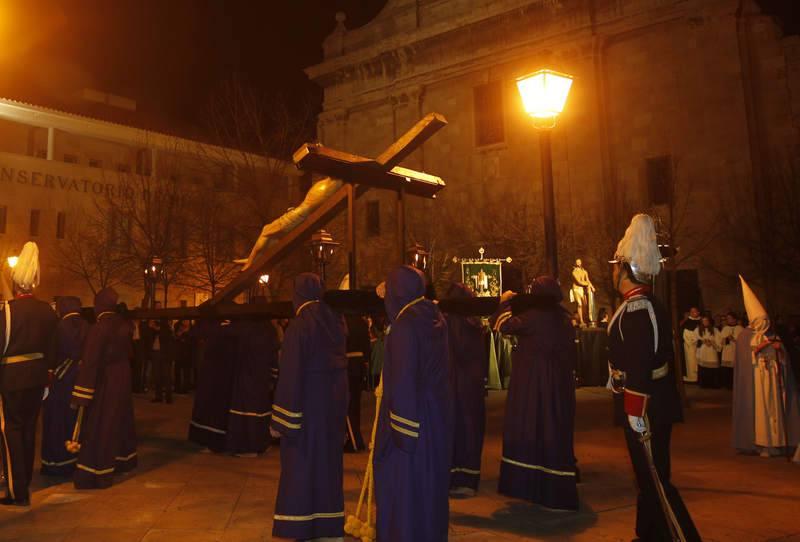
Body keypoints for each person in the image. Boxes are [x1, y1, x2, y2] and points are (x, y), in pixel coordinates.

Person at [607, 214, 700, 541]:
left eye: (617, 267)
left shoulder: (637, 308)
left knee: (657, 481)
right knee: (647, 479)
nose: (613, 273)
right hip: (650, 405)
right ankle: (646, 535)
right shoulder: (642, 304)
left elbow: (640, 363)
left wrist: (634, 411)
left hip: (645, 408)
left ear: (627, 270)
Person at [374, 265, 452, 542]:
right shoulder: (432, 315)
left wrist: (402, 431)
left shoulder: (405, 326)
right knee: (428, 486)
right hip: (434, 419)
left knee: (406, 487)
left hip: (410, 422)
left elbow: (404, 380)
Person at [491, 276, 578, 511]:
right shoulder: (564, 318)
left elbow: (501, 325)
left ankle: (528, 483)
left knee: (530, 426)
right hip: (559, 385)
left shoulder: (533, 317)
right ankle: (555, 484)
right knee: (553, 429)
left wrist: (504, 302)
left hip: (533, 383)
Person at [272, 273, 348, 540]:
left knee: (302, 468)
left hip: (304, 411)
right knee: (327, 468)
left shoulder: (300, 325)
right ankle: (328, 527)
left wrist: (283, 420)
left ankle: (301, 525)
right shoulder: (337, 322)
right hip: (329, 411)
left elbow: (291, 373)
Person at [0, 242, 58, 506]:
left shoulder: (7, 310)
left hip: (11, 378)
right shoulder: (47, 310)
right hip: (37, 379)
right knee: (28, 430)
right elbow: (52, 347)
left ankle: (16, 489)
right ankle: (23, 481)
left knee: (10, 429)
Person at [71, 288, 137, 489]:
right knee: (119, 419)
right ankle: (122, 460)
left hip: (105, 380)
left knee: (100, 423)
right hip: (122, 377)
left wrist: (81, 393)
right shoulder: (125, 325)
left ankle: (96, 472)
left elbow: (91, 361)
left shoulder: (99, 328)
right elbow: (130, 353)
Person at [735, 276, 800, 460]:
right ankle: (762, 443)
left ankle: (779, 443)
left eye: (766, 320)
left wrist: (780, 352)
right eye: (760, 320)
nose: (764, 323)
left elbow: (785, 357)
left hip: (775, 380)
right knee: (761, 414)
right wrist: (762, 348)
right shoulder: (745, 336)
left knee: (776, 411)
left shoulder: (774, 335)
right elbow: (747, 358)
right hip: (758, 382)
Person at [447, 283, 488, 498]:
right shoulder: (475, 324)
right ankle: (469, 478)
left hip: (454, 385)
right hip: (472, 386)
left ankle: (454, 477)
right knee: (471, 430)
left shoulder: (447, 322)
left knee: (454, 430)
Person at [41, 297, 89, 476]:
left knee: (57, 421)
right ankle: (77, 459)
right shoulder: (87, 326)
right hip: (81, 380)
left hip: (60, 382)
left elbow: (50, 354)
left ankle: (56, 463)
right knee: (76, 420)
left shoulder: (58, 327)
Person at [226, 308, 280, 457]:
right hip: (262, 379)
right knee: (261, 410)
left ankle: (248, 447)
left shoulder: (246, 329)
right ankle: (261, 443)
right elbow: (274, 357)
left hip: (246, 378)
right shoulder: (270, 331)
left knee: (245, 411)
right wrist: (273, 377)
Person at [188, 318, 239, 452]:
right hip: (214, 373)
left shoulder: (231, 328)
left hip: (221, 375)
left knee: (216, 409)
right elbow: (194, 333)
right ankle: (212, 441)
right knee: (211, 408)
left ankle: (216, 443)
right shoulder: (215, 327)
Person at [344, 314, 370, 453]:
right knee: (355, 406)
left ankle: (352, 440)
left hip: (347, 366)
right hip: (359, 367)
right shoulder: (362, 322)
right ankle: (357, 439)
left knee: (348, 407)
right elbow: (367, 349)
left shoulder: (343, 321)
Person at [151, 314, 173, 404]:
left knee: (166, 376)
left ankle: (167, 397)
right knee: (158, 376)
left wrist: (158, 329)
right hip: (157, 353)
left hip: (164, 355)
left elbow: (165, 338)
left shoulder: (166, 330)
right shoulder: (158, 331)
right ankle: (159, 396)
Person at [694, 316, 721, 389]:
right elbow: (694, 339)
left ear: (709, 322)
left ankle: (713, 384)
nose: (705, 322)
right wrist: (703, 341)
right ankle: (704, 384)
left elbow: (719, 339)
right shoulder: (697, 329)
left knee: (713, 368)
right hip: (703, 351)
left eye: (706, 321)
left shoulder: (715, 330)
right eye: (703, 321)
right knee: (703, 368)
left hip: (712, 350)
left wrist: (712, 342)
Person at [719, 312, 743, 390]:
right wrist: (725, 338)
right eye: (727, 319)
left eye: (730, 318)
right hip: (727, 350)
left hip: (735, 350)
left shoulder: (740, 328)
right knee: (727, 369)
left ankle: (735, 385)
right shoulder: (725, 328)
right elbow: (721, 340)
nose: (728, 320)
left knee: (734, 369)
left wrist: (733, 338)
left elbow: (742, 341)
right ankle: (727, 385)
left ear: (734, 319)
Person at [570, 258, 596, 327]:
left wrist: (592, 286)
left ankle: (584, 320)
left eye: (579, 262)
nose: (578, 263)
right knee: (579, 304)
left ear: (581, 263)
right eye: (577, 262)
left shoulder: (584, 271)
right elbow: (579, 282)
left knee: (585, 305)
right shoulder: (574, 272)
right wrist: (588, 284)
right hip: (576, 289)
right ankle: (581, 320)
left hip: (582, 289)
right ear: (575, 263)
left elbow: (588, 280)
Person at [681, 307, 702, 384]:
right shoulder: (687, 321)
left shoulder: (701, 321)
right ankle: (691, 378)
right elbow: (684, 332)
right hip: (689, 345)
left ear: (698, 312)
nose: (693, 313)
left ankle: (700, 377)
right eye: (692, 312)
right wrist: (692, 341)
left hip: (700, 345)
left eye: (695, 311)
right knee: (690, 361)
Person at [173, 319, 193, 394]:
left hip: (186, 354)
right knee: (178, 371)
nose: (186, 322)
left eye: (187, 321)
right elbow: (176, 338)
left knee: (186, 372)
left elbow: (190, 342)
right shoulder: (179, 328)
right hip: (179, 354)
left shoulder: (190, 331)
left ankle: (185, 388)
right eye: (184, 321)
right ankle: (177, 387)